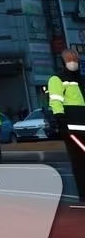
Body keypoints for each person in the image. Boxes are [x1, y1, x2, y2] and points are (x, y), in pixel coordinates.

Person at [49, 50, 85, 198]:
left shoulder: (81, 79)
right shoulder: (57, 79)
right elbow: (56, 101)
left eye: (75, 60)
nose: (73, 63)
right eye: (70, 60)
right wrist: (61, 119)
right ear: (63, 62)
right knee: (79, 161)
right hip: (71, 127)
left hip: (82, 123)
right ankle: (83, 193)